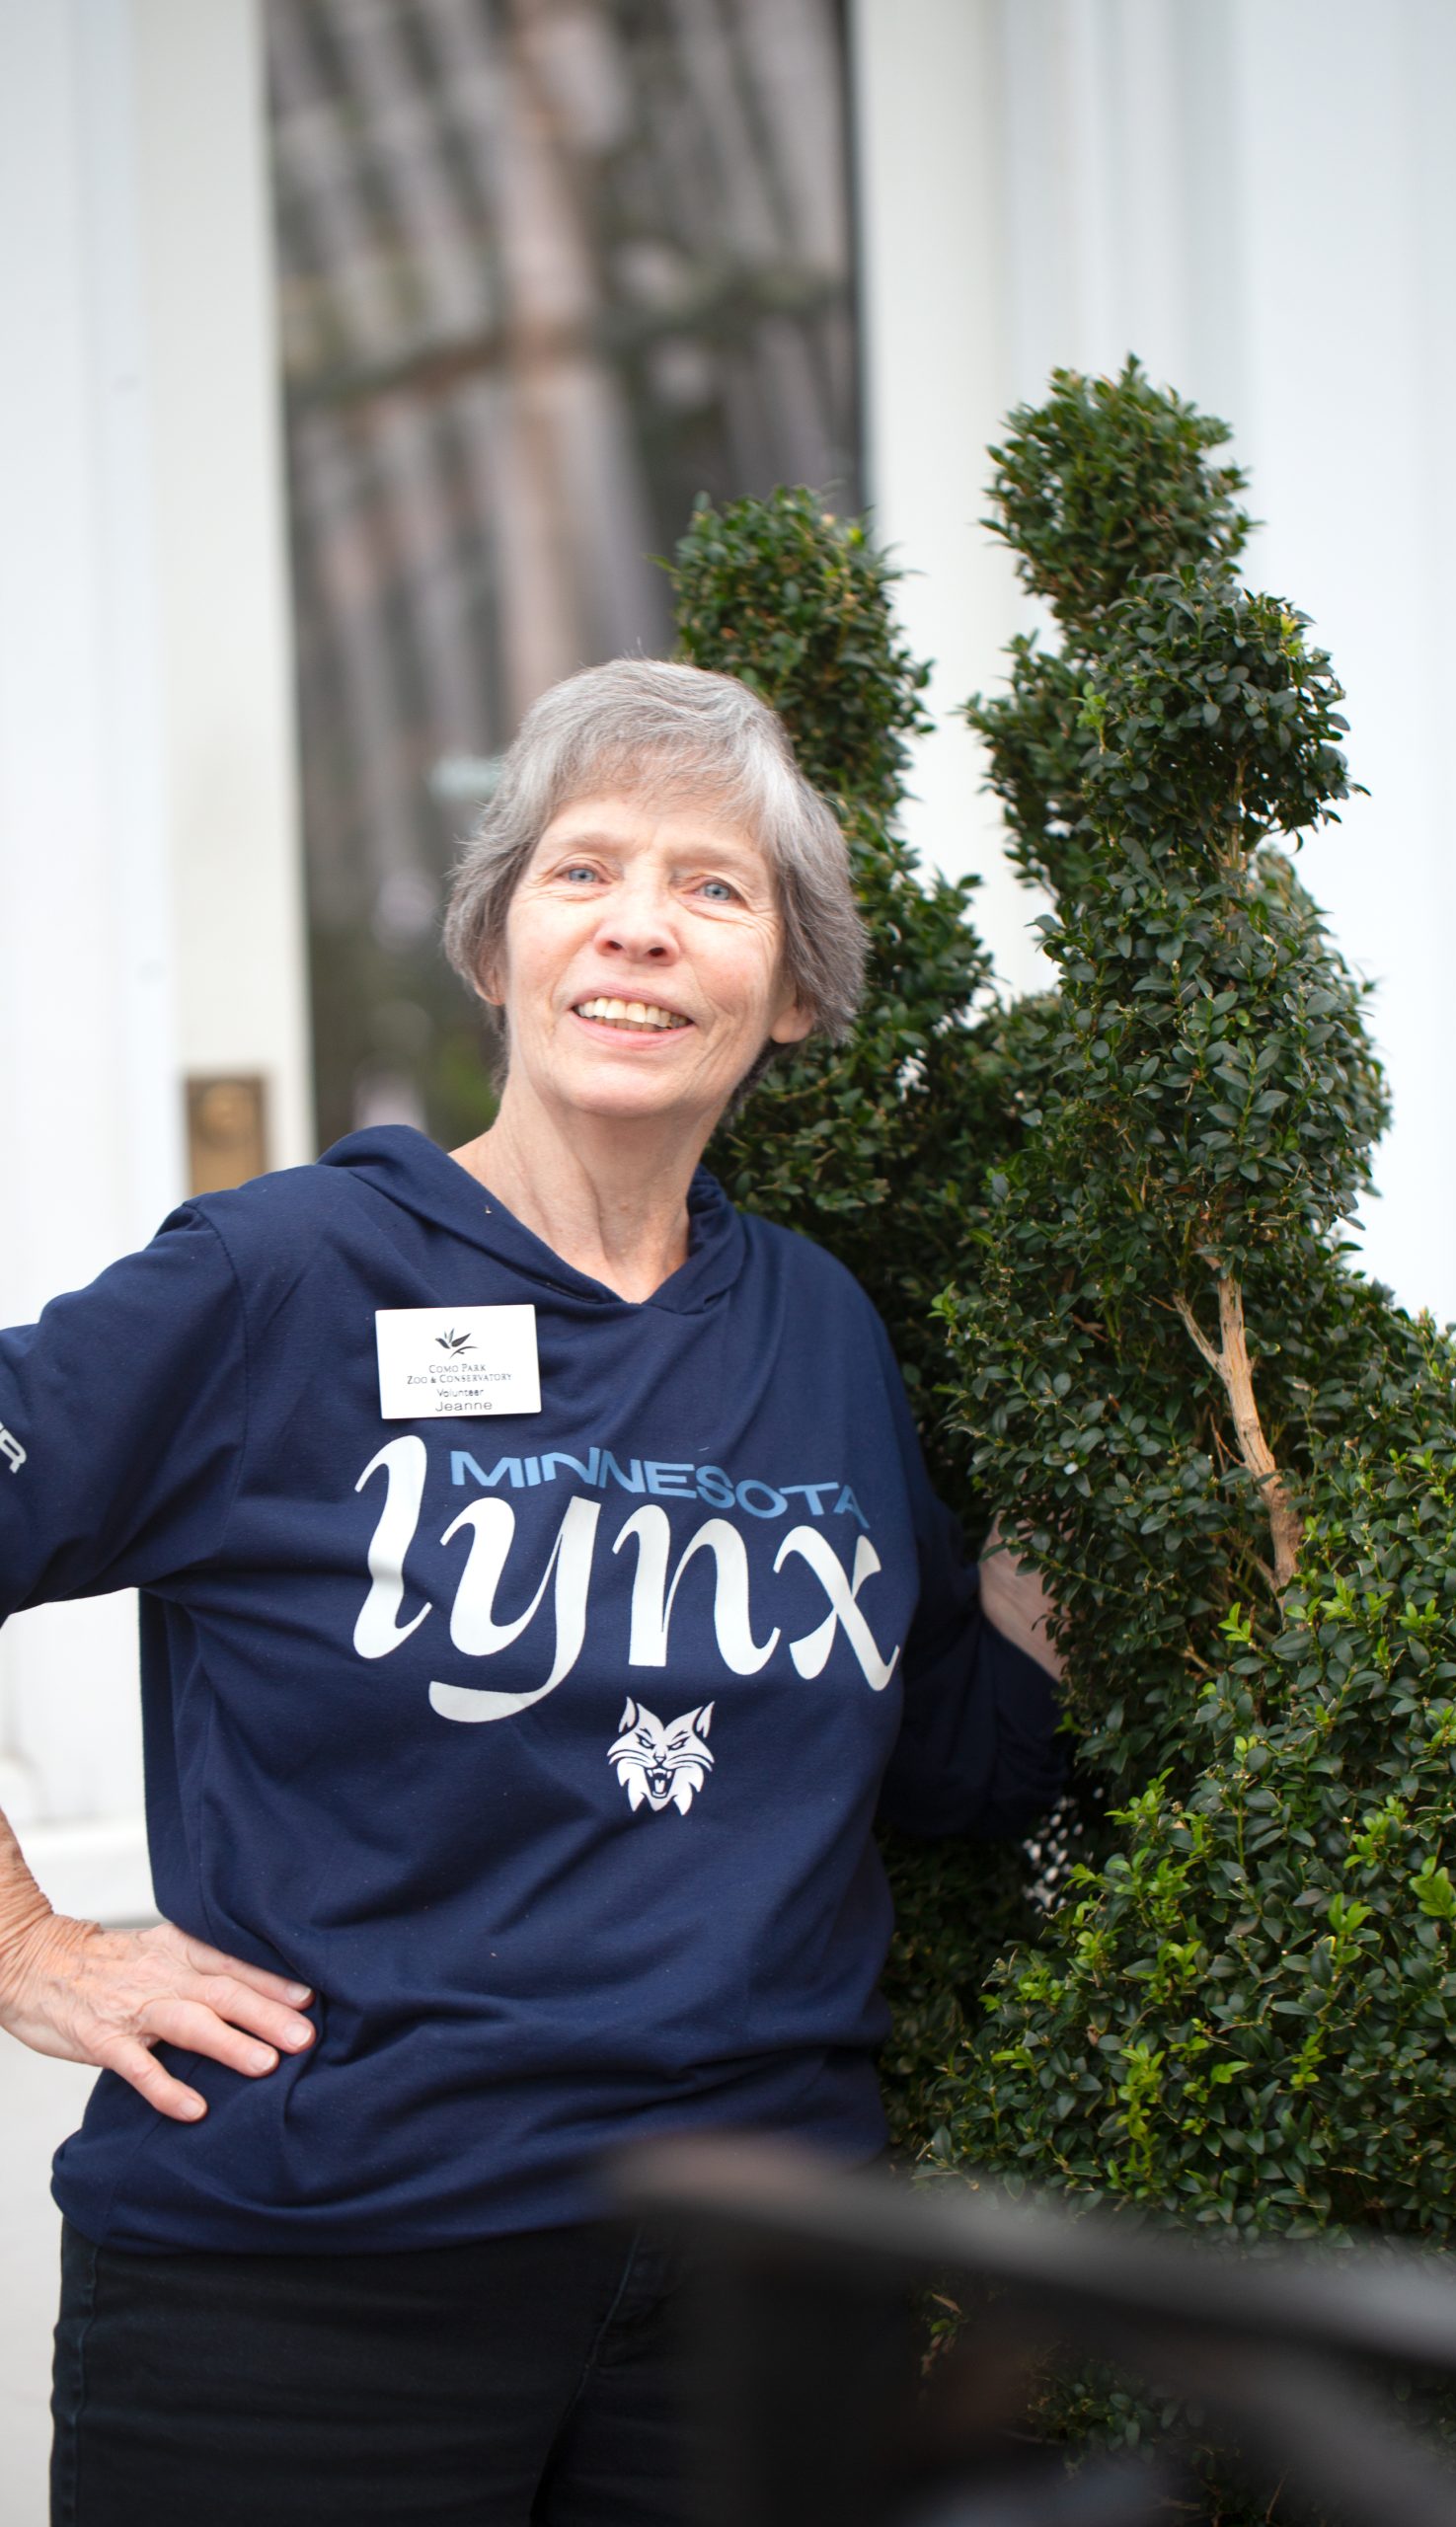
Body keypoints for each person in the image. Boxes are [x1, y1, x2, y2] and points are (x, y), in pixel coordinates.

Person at [0, 659, 1064, 2526]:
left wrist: (1108, 1507)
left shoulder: (818, 1326)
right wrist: (28, 1946)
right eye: (584, 872)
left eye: (714, 888)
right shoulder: (282, 1279)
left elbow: (933, 1762)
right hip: (322, 2288)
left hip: (759, 2290)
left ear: (793, 992)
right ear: (495, 948)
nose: (641, 928)